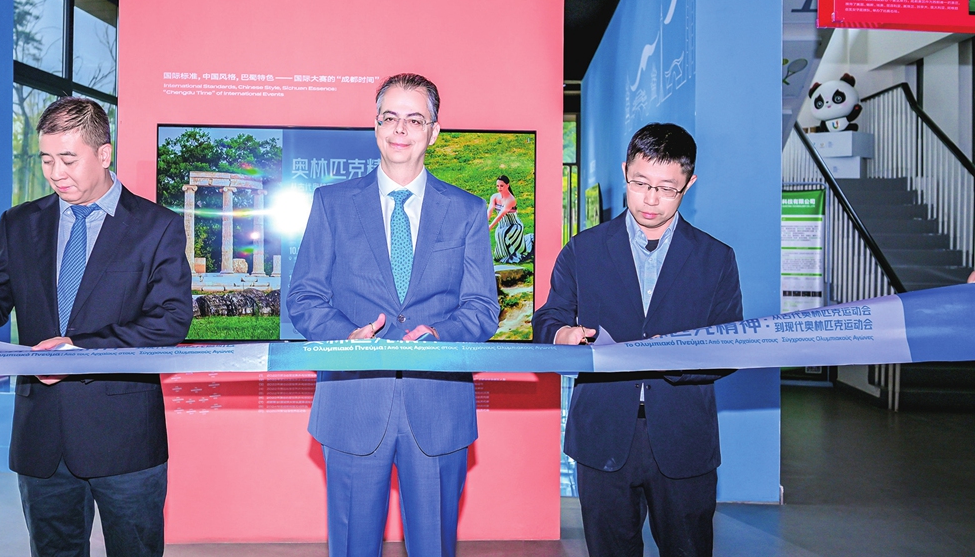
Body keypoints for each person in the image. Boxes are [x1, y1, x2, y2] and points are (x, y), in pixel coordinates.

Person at [0, 97, 192, 557]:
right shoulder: (20, 223)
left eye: (68, 159)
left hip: (125, 437)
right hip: (42, 436)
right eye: (47, 159)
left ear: (104, 154)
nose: (55, 173)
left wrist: (79, 348)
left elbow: (170, 319)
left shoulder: (157, 227)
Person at [287, 73, 500, 557]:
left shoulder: (466, 211)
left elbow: (483, 308)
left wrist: (441, 334)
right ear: (375, 124)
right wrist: (348, 336)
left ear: (434, 131)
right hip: (354, 401)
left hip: (438, 408)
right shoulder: (332, 203)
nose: (400, 129)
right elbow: (304, 297)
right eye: (390, 117)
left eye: (414, 119)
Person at [533, 122, 742, 557]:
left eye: (667, 188)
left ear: (690, 182)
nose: (650, 199)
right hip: (604, 434)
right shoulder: (583, 249)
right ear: (626, 171)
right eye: (640, 183)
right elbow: (548, 318)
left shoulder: (715, 258)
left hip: (683, 437)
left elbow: (730, 344)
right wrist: (562, 334)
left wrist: (677, 356)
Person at [488, 174, 526, 264]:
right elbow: (489, 211)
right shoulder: (494, 196)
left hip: (514, 225)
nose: (499, 188)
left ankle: (510, 255)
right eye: (497, 186)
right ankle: (501, 255)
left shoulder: (511, 199)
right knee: (499, 233)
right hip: (502, 225)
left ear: (507, 185)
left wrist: (490, 227)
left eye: (502, 186)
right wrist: (484, 224)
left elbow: (500, 215)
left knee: (502, 233)